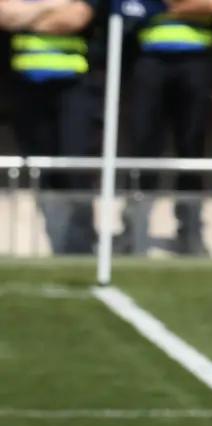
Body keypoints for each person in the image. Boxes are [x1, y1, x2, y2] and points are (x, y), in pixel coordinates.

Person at [1, 0, 102, 254]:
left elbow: (74, 18)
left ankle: (81, 247)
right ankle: (57, 243)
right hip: (27, 86)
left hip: (75, 87)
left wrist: (30, 16)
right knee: (42, 171)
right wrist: (54, 4)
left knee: (76, 168)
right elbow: (5, 15)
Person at [123, 0, 212, 256]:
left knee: (192, 147)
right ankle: (135, 228)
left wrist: (157, 7)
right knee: (143, 145)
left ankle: (190, 230)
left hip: (197, 60)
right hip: (149, 59)